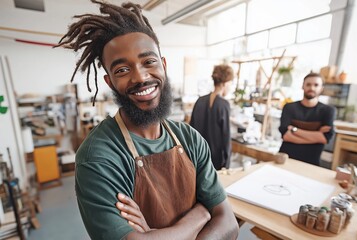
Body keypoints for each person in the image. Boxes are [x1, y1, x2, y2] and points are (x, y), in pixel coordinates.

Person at [55, 1, 238, 239]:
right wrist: (201, 214)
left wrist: (157, 235)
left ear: (163, 65)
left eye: (148, 62)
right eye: (122, 70)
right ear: (109, 81)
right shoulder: (98, 157)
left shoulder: (190, 139)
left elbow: (229, 224)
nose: (140, 77)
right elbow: (216, 219)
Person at [278, 72, 335, 166]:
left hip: (311, 162)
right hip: (286, 159)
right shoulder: (289, 107)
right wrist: (316, 136)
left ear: (321, 89)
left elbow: (325, 138)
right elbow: (285, 135)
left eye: (316, 85)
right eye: (308, 84)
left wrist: (294, 130)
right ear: (302, 86)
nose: (312, 88)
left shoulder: (328, 111)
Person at [190, 64, 234, 170]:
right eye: (231, 83)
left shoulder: (199, 101)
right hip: (216, 161)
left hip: (198, 158)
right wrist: (226, 164)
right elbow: (226, 137)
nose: (231, 87)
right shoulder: (224, 104)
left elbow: (190, 132)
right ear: (225, 83)